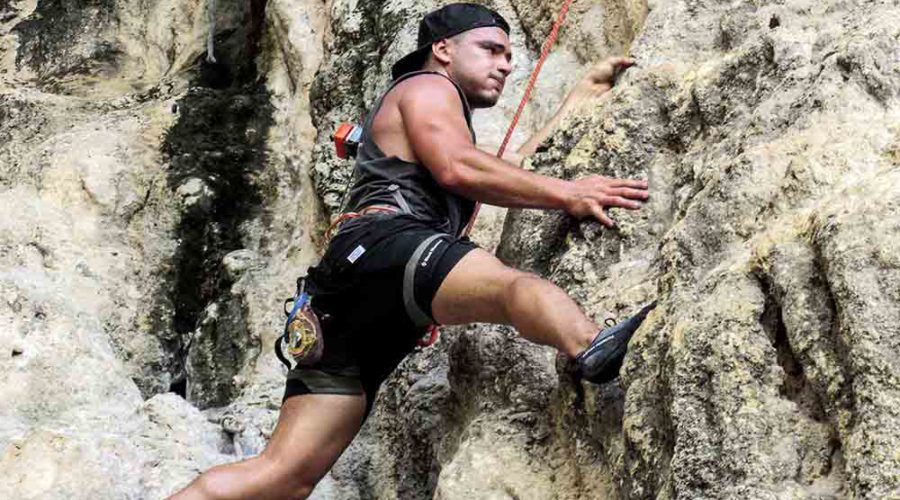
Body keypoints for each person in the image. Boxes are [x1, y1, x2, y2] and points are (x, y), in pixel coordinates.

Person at [170, 3, 653, 499]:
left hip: (346, 292)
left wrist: (580, 96)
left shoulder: (431, 113)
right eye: (490, 49)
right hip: (389, 247)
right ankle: (590, 343)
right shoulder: (426, 87)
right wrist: (570, 192)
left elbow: (509, 168)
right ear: (442, 49)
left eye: (509, 56)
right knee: (515, 288)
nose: (505, 65)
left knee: (286, 475)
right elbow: (458, 168)